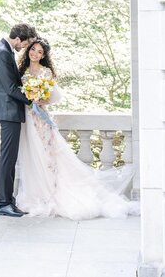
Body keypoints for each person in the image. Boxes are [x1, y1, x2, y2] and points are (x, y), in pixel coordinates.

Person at [15, 38, 140, 219]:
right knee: (31, 156)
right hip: (27, 119)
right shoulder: (22, 71)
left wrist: (40, 99)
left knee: (46, 156)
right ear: (28, 51)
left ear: (44, 56)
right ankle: (35, 194)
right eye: (33, 49)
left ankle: (50, 193)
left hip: (41, 119)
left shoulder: (46, 72)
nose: (35, 53)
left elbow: (53, 96)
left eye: (40, 52)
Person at [0, 23, 37, 217]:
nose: (24, 47)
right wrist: (33, 100)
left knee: (10, 158)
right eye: (25, 44)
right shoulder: (2, 53)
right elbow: (10, 88)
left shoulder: (4, 49)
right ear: (18, 39)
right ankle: (3, 203)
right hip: (7, 111)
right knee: (7, 158)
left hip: (9, 110)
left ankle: (8, 201)